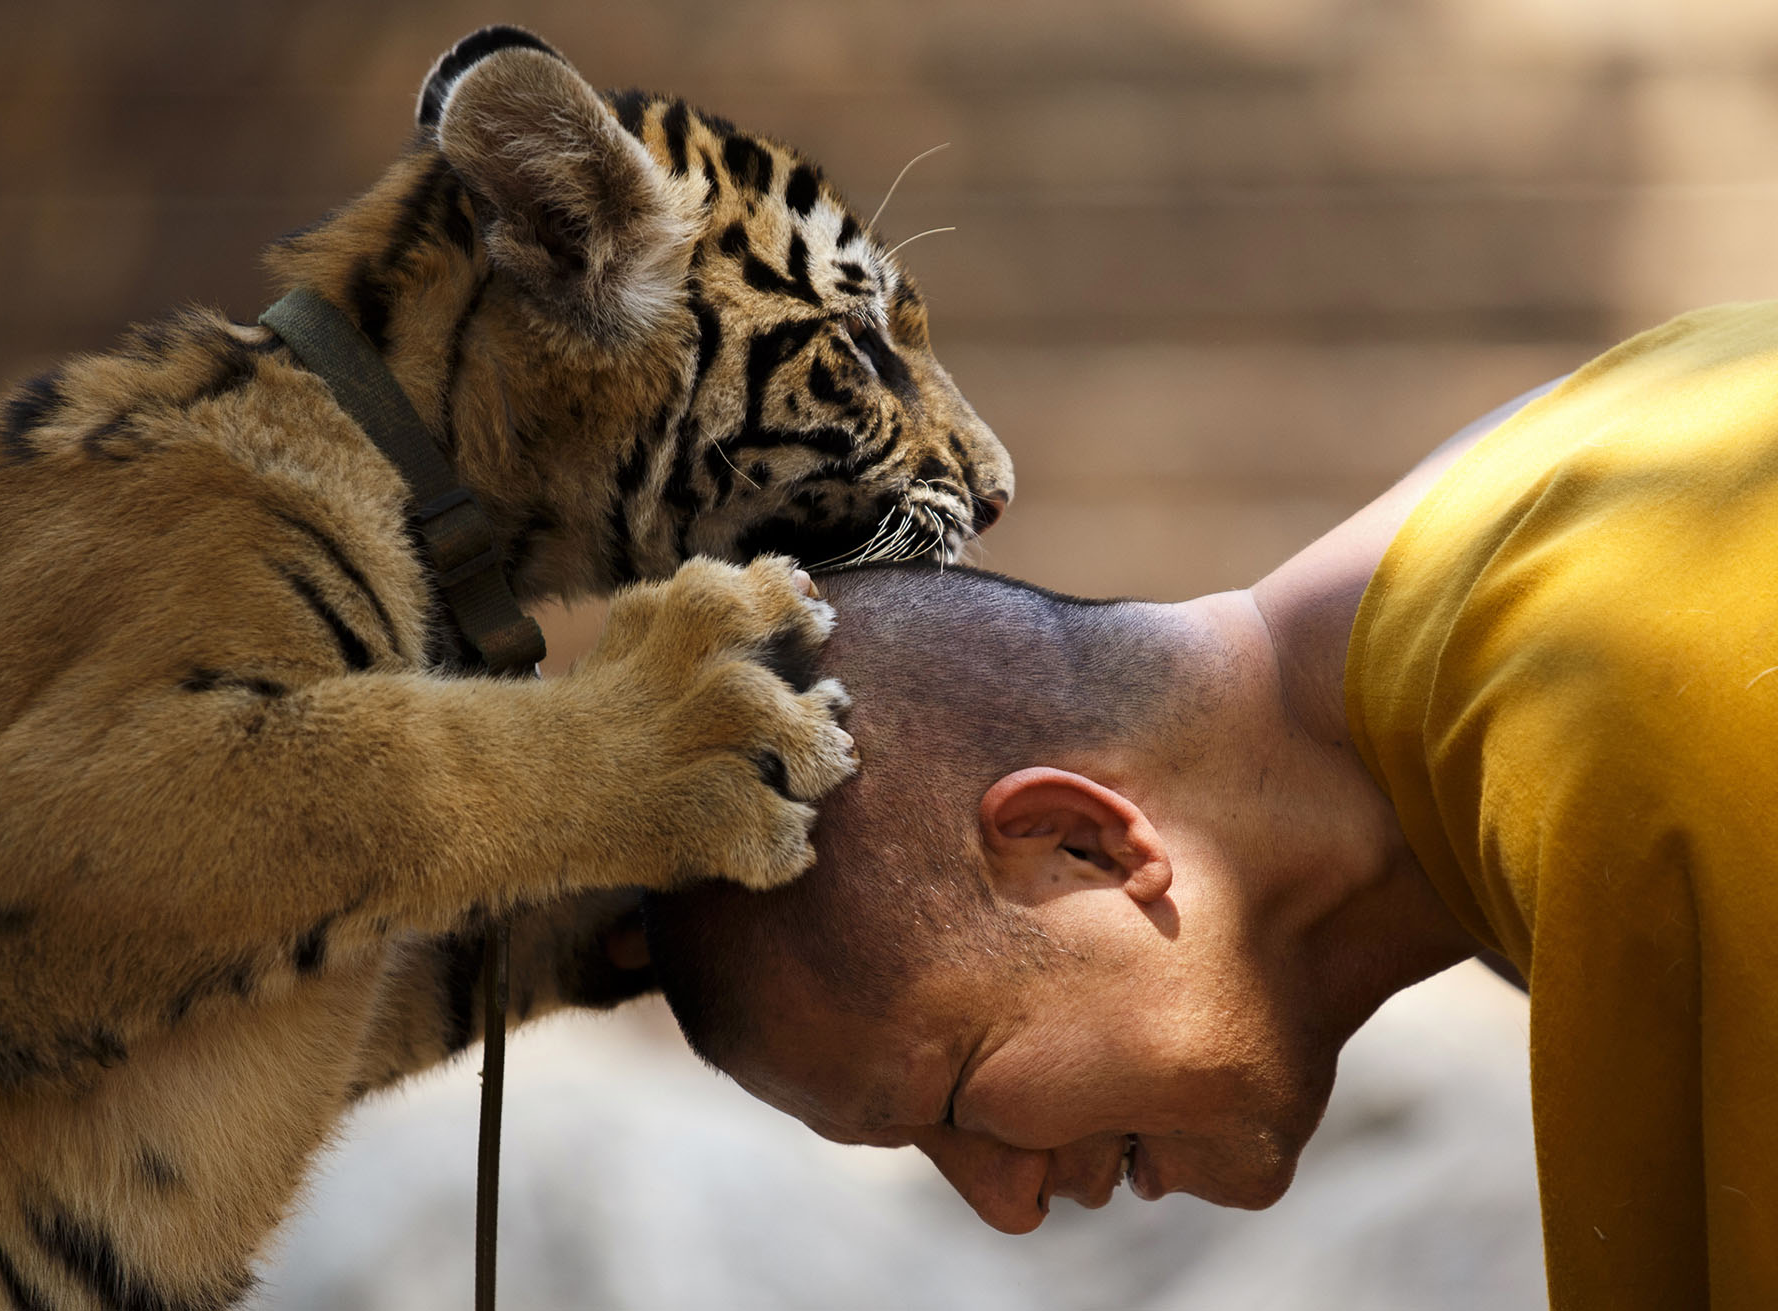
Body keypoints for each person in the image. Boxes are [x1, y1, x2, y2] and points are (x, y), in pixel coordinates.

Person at [640, 303, 1778, 1310]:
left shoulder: (1647, 709)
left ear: (1078, 842)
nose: (1008, 1208)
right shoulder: (1586, 473)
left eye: (952, 1100)